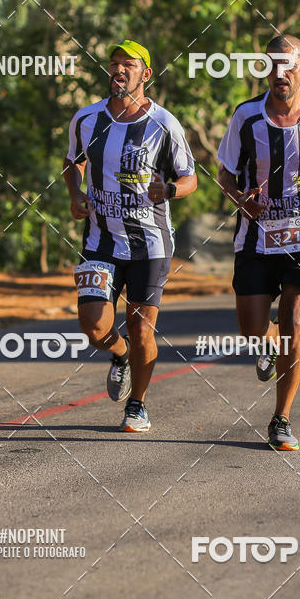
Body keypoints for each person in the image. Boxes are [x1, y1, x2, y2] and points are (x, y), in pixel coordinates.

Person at [217, 35, 300, 451]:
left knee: (295, 323)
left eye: (289, 65)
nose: (280, 73)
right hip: (257, 236)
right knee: (252, 329)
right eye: (272, 64)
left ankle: (281, 418)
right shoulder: (246, 117)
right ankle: (268, 343)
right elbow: (224, 174)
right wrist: (241, 200)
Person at [63, 39, 197, 432]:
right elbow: (73, 162)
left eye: (129, 64)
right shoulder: (87, 119)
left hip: (149, 244)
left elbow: (189, 179)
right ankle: (119, 354)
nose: (119, 69)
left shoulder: (164, 124)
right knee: (94, 327)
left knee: (141, 328)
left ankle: (137, 405)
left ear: (146, 74)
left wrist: (168, 190)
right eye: (114, 63)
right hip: (100, 240)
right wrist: (75, 193)